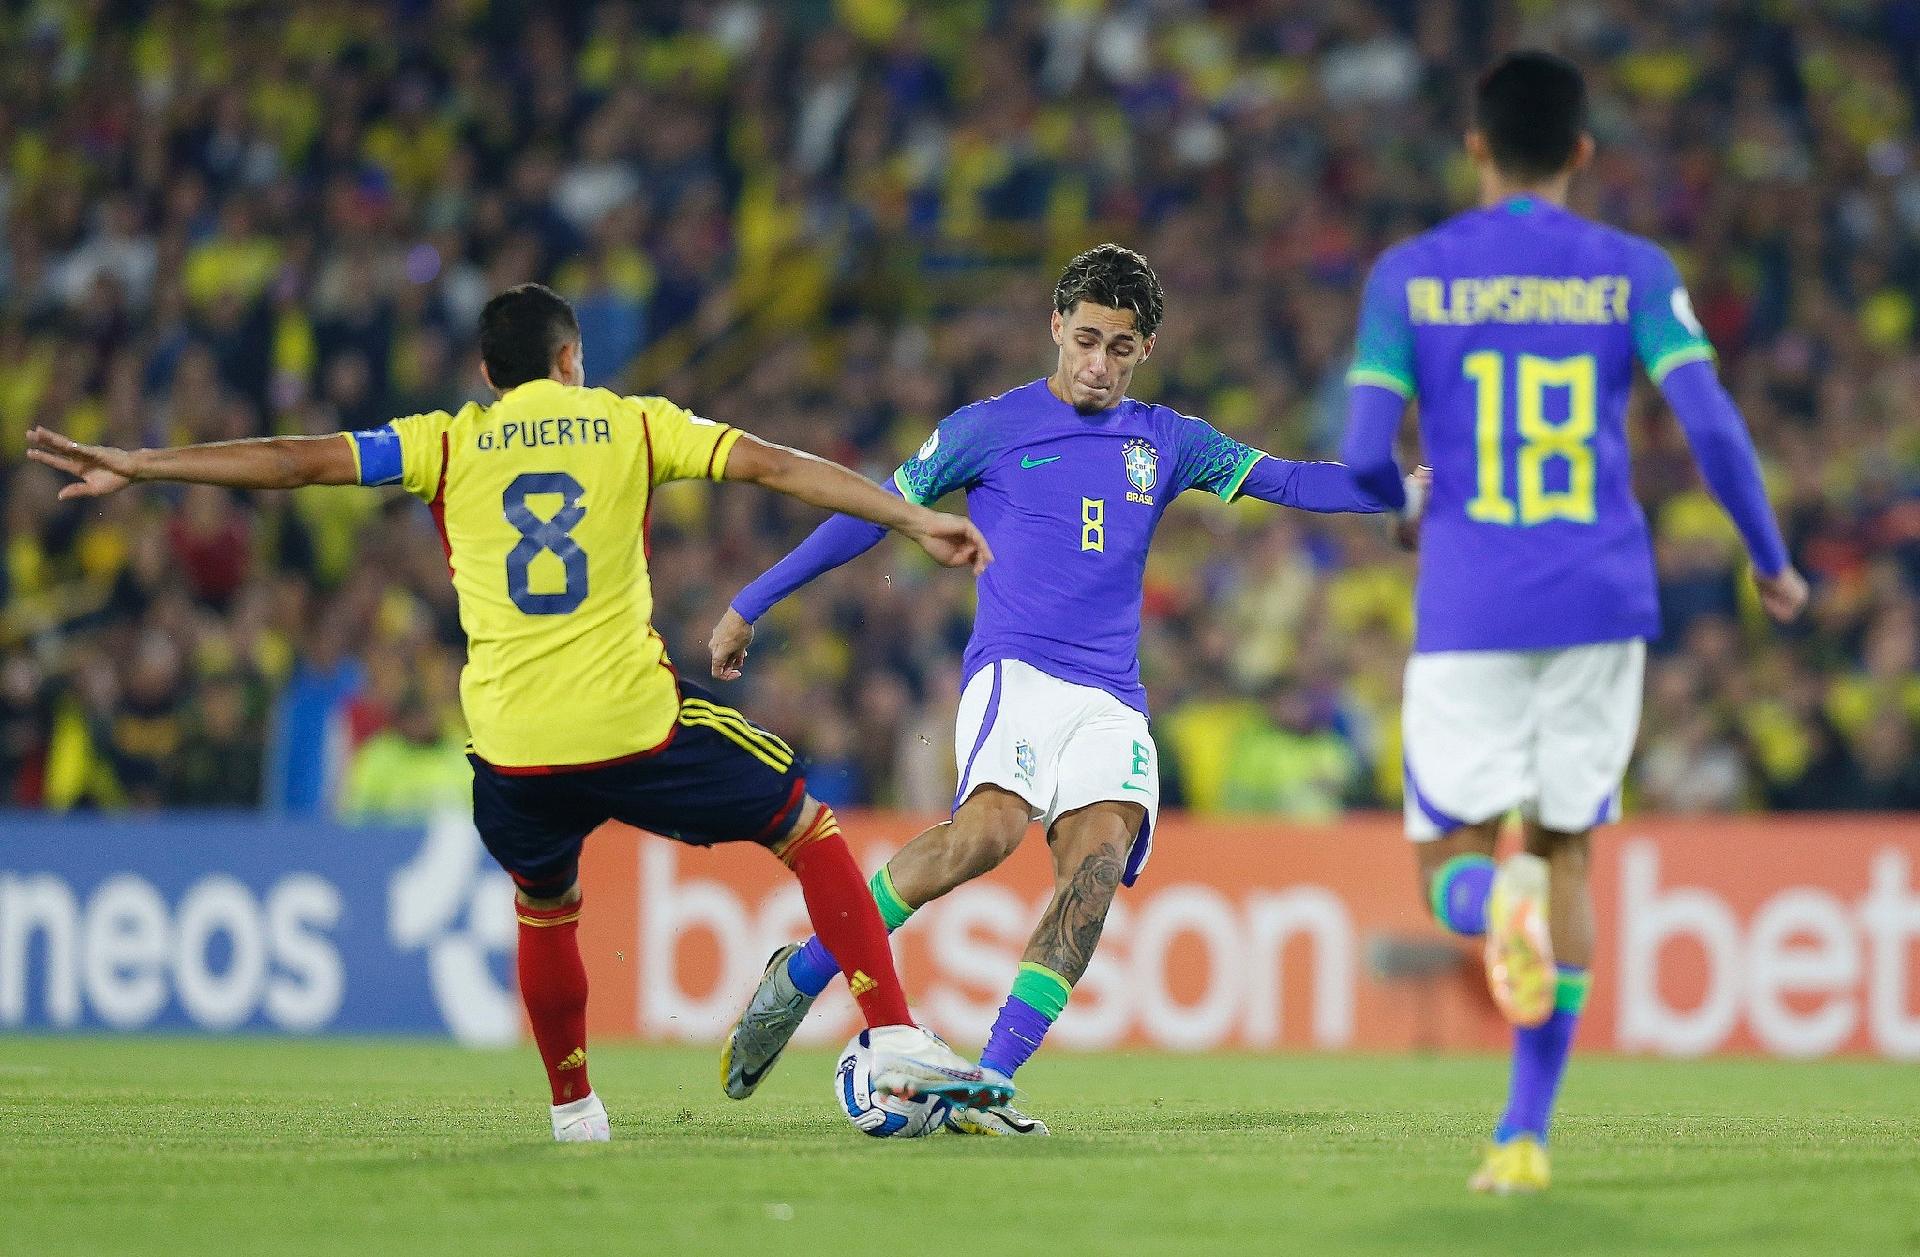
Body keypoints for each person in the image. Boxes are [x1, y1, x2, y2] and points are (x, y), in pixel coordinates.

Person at [25, 282, 1011, 1142]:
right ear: (570, 358)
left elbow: (293, 461)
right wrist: (915, 514)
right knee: (805, 824)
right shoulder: (631, 422)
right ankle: (891, 1038)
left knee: (547, 908)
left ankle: (575, 1112)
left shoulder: (446, 444)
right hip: (631, 722)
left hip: (511, 747)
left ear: (488, 374)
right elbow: (775, 465)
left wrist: (144, 464)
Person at [711, 244, 1415, 1134]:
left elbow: (1289, 478)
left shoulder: (1168, 440)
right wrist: (751, 600)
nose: (1097, 362)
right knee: (987, 836)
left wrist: (1393, 489)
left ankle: (987, 1082)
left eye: (1120, 347)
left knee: (1095, 873)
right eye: (1085, 338)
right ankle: (803, 973)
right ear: (1055, 326)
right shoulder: (989, 426)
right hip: (1018, 671)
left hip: (1112, 696)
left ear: (1144, 347)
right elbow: (875, 515)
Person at [1337, 52, 1810, 1193]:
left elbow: (1361, 456)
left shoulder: (1410, 276)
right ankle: (1523, 1136)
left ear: (1476, 149)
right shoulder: (1632, 271)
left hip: (1470, 602)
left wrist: (1405, 509)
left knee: (1444, 856)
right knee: (1566, 856)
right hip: (1601, 600)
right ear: (1582, 153)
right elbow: (1713, 429)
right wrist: (1770, 561)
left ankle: (1477, 897)